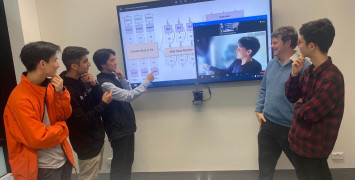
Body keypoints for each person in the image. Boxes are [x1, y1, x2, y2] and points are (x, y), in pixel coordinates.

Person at [3, 41, 75, 180]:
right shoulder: (20, 99)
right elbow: (38, 138)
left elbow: (65, 114)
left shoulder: (47, 86)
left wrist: (60, 93)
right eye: (55, 60)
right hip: (41, 168)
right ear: (42, 64)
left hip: (61, 159)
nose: (58, 65)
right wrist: (63, 128)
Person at [285, 18, 344, 180]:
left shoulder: (332, 78)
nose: (298, 45)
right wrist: (294, 75)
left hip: (313, 149)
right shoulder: (308, 70)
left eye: (301, 41)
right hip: (297, 143)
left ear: (312, 46)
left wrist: (299, 105)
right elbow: (292, 97)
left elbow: (310, 113)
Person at [255, 26, 310, 180]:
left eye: (275, 42)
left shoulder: (304, 66)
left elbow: (307, 98)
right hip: (268, 125)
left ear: (288, 42)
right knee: (265, 172)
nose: (271, 46)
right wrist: (258, 110)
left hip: (290, 128)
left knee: (303, 169)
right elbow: (263, 89)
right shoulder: (272, 63)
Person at [93, 49, 155, 180]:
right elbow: (128, 96)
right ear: (103, 64)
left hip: (125, 126)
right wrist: (146, 81)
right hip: (117, 127)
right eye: (112, 60)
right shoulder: (104, 83)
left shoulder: (112, 78)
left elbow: (128, 91)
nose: (115, 62)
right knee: (120, 165)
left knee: (127, 162)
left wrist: (122, 79)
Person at [60, 46, 113, 180]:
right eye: (85, 61)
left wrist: (94, 85)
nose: (89, 64)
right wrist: (103, 103)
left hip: (97, 138)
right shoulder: (66, 91)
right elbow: (82, 120)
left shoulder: (83, 79)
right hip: (86, 145)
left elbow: (96, 101)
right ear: (74, 66)